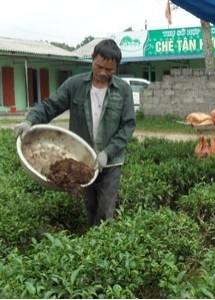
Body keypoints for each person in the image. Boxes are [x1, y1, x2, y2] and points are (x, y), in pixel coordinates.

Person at [14, 39, 135, 226]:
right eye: (99, 66)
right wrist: (30, 120)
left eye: (109, 70)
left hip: (110, 163)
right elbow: (50, 106)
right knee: (89, 206)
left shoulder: (123, 91)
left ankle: (103, 244)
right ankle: (90, 244)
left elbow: (127, 126)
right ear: (92, 59)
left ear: (116, 68)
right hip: (82, 160)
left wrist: (107, 153)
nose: (103, 73)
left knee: (105, 210)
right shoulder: (75, 85)